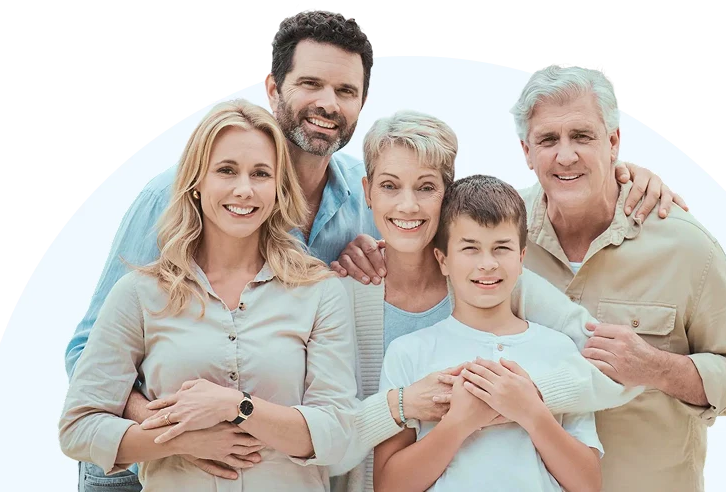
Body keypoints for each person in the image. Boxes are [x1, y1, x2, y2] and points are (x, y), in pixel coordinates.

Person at [65, 9, 682, 490]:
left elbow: (490, 217)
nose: (327, 104)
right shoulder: (179, 198)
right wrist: (172, 434)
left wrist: (615, 175)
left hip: (299, 474)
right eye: (309, 83)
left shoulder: (377, 219)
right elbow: (87, 358)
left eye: (345, 90)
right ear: (272, 86)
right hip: (142, 473)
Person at [326, 111, 643, 492]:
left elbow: (612, 366)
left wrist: (526, 402)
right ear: (368, 191)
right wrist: (408, 406)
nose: (408, 205)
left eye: (426, 187)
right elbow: (329, 435)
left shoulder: (513, 288)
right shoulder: (351, 297)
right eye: (390, 186)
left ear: (446, 194)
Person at [496, 63, 726, 491]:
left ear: (613, 142)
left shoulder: (686, 247)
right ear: (526, 152)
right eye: (547, 139)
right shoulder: (497, 237)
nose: (564, 155)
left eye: (582, 136)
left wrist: (656, 368)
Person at [59, 99, 360, 491]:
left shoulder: (318, 292)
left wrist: (238, 406)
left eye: (261, 174)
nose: (244, 189)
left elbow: (339, 435)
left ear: (278, 188)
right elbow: (79, 428)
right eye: (226, 171)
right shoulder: (140, 294)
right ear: (197, 182)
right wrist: (181, 440)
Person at [373, 174, 605, 492]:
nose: (487, 264)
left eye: (501, 248)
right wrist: (459, 423)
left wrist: (531, 412)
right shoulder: (409, 352)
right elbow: (389, 485)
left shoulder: (560, 349)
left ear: (521, 257)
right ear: (443, 260)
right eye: (470, 248)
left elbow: (589, 483)